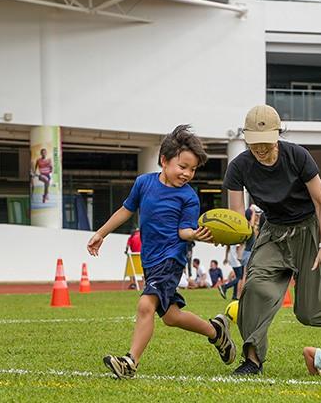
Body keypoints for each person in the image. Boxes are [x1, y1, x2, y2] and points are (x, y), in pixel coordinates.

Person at [87, 125, 236, 379]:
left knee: (146, 305)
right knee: (171, 316)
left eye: (193, 169)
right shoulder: (143, 183)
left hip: (171, 259)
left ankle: (130, 362)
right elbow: (125, 210)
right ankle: (216, 331)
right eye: (183, 166)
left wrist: (196, 235)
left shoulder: (189, 197)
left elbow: (184, 232)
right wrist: (101, 233)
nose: (187, 173)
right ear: (164, 160)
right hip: (150, 261)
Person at [224, 104, 321, 375]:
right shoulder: (239, 167)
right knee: (255, 287)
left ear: (277, 135)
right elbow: (237, 217)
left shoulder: (297, 156)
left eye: (265, 142)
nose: (260, 149)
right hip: (274, 232)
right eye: (254, 143)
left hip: (310, 229)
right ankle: (252, 359)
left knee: (310, 314)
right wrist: (227, 234)